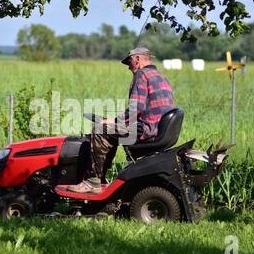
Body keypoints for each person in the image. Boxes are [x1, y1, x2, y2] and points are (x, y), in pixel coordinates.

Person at [67, 47, 176, 194]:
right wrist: (115, 121)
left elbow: (135, 109)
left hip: (146, 130)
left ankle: (92, 182)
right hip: (158, 130)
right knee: (109, 132)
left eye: (129, 62)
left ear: (137, 59)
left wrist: (114, 121)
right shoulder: (161, 77)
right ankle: (101, 181)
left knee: (99, 131)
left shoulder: (142, 75)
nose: (129, 67)